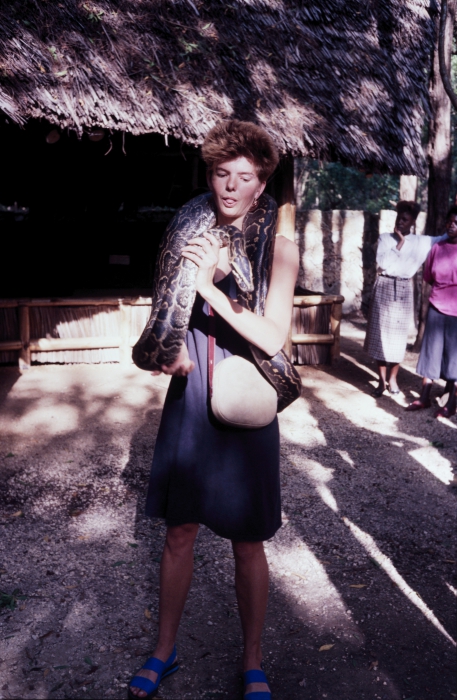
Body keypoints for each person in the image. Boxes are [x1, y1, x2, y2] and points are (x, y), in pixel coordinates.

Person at [128, 120, 299, 700]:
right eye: (220, 174)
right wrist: (170, 349)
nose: (229, 187)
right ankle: (163, 651)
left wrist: (211, 290)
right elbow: (162, 312)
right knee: (179, 532)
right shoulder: (189, 226)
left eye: (243, 177)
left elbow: (273, 338)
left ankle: (253, 661)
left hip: (248, 387)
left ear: (262, 183)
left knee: (247, 538)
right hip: (194, 386)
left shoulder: (280, 242)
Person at [364, 200, 447, 397]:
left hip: (402, 289)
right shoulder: (385, 238)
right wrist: (399, 244)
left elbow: (445, 238)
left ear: (412, 222)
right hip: (383, 285)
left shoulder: (421, 242)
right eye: (398, 218)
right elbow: (382, 264)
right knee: (379, 336)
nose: (400, 222)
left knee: (398, 338)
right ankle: (382, 381)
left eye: (405, 219)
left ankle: (393, 379)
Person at [406, 206, 457, 417]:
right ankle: (424, 397)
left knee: (454, 357)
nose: (451, 225)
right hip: (436, 306)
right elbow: (428, 277)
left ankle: (452, 403)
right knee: (431, 352)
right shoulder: (437, 248)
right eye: (449, 222)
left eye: (456, 222)